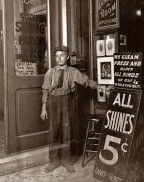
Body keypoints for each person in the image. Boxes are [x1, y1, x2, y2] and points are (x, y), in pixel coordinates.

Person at [40, 45, 105, 173]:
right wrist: (43, 108)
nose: (59, 58)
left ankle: (66, 161)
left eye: (62, 55)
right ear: (55, 58)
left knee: (67, 131)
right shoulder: (50, 72)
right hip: (53, 103)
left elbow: (87, 81)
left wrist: (100, 87)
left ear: (67, 57)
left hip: (67, 102)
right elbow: (45, 91)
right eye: (57, 56)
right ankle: (53, 161)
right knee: (54, 132)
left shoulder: (73, 72)